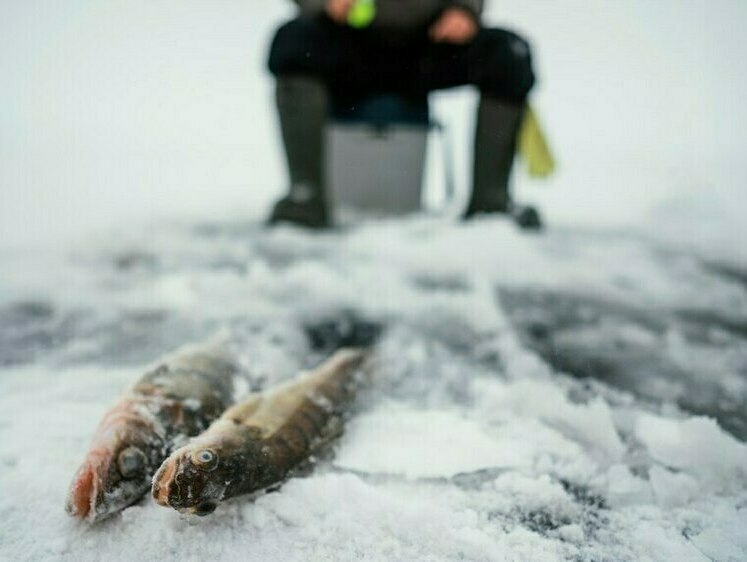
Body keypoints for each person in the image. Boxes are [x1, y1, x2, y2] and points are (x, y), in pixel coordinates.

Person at [267, 0, 537, 229]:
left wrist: (464, 9)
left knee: (509, 55)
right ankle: (305, 198)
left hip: (433, 41)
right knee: (293, 43)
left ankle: (491, 203)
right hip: (347, 37)